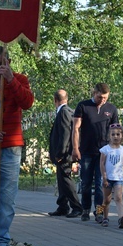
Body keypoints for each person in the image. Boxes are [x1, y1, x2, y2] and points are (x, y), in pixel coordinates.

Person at [0, 46, 34, 246]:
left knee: (6, 196)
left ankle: (1, 238)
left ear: (8, 62)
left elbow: (27, 102)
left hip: (11, 145)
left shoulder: (20, 79)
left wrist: (11, 80)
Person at [72, 83, 119, 222]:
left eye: (105, 98)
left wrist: (115, 149)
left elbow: (115, 131)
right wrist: (75, 148)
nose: (102, 100)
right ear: (95, 93)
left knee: (100, 183)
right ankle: (85, 209)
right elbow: (76, 129)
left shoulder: (111, 109)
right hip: (86, 151)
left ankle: (99, 211)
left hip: (103, 152)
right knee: (86, 183)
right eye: (100, 97)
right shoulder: (83, 106)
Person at [48, 89, 83, 218]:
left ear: (55, 100)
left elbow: (65, 134)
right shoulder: (69, 111)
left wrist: (60, 153)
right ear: (66, 99)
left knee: (66, 180)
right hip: (66, 152)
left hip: (64, 153)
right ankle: (62, 206)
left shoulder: (63, 112)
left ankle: (76, 206)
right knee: (61, 179)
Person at [99, 123, 123, 228]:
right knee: (106, 200)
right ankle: (103, 216)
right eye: (113, 134)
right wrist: (104, 176)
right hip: (108, 178)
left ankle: (121, 218)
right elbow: (102, 163)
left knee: (118, 197)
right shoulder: (105, 149)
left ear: (122, 136)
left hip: (118, 178)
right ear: (109, 136)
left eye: (118, 134)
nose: (115, 136)